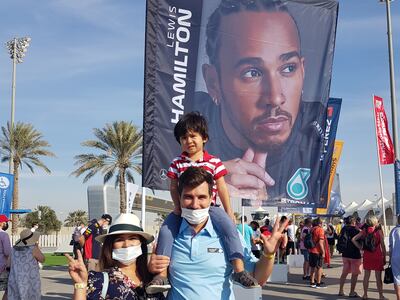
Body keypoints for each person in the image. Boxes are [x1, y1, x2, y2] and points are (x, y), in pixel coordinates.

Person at [192, 0, 326, 205]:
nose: (275, 98)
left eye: (288, 68)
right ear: (213, 82)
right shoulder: (185, 122)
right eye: (252, 73)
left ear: (303, 70)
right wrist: (206, 186)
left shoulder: (317, 127)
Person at [148, 112, 258, 293]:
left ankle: (239, 270)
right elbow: (174, 187)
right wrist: (177, 207)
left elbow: (222, 187)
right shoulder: (177, 163)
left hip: (212, 208)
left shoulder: (214, 161)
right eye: (183, 138)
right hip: (183, 209)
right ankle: (161, 275)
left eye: (193, 136)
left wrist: (229, 211)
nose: (188, 141)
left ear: (204, 138)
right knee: (166, 232)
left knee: (230, 229)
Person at [149, 167, 289, 299]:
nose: (195, 204)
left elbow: (258, 278)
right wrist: (150, 268)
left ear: (211, 198)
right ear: (179, 198)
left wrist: (269, 254)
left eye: (202, 197)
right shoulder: (170, 234)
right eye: (188, 197)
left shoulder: (229, 236)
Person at [66, 213, 164, 300]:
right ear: (111, 245)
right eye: (119, 240)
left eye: (132, 238)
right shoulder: (99, 280)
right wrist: (80, 285)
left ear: (141, 244)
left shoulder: (153, 281)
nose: (126, 244)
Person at [352, 216, 387, 300]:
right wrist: (384, 257)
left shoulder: (364, 231)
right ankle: (381, 296)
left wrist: (360, 247)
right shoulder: (379, 232)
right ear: (375, 223)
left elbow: (353, 239)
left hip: (367, 255)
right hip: (377, 255)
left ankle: (365, 295)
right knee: (378, 278)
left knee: (366, 276)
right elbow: (383, 246)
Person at [7, 228, 45, 300]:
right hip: (30, 279)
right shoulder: (33, 249)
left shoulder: (13, 249)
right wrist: (37, 248)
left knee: (15, 296)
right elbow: (42, 259)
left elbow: (8, 264)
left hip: (15, 278)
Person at [338, 216, 362, 298]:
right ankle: (352, 292)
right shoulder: (356, 230)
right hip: (355, 255)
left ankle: (340, 290)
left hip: (345, 254)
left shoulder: (343, 229)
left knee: (344, 273)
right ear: (353, 222)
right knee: (354, 274)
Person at [309, 217, 326, 288]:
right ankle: (318, 283)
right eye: (322, 222)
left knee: (312, 267)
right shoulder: (320, 230)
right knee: (319, 267)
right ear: (320, 223)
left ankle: (312, 282)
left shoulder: (312, 229)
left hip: (311, 250)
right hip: (318, 251)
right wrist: (323, 252)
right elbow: (320, 242)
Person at [389, 215, 400, 300]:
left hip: (396, 256)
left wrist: (389, 258)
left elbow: (391, 246)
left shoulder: (394, 231)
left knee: (396, 278)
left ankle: (398, 297)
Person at [0, 215, 11, 300]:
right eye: (6, 222)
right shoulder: (4, 235)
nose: (6, 224)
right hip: (2, 266)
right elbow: (7, 252)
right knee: (6, 290)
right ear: (2, 223)